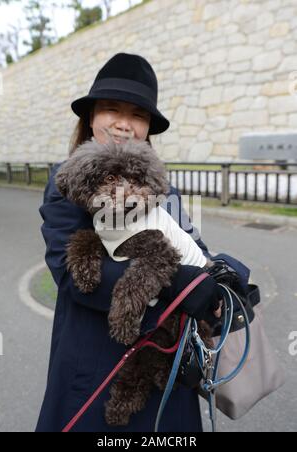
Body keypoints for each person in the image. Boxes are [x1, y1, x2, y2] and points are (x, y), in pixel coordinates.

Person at [35, 53, 244, 432]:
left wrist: (221, 278)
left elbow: (192, 245)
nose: (124, 124)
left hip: (165, 361)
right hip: (96, 360)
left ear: (148, 126)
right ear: (91, 118)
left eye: (138, 114)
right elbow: (71, 274)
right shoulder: (67, 181)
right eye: (111, 109)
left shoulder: (164, 187)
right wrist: (175, 284)